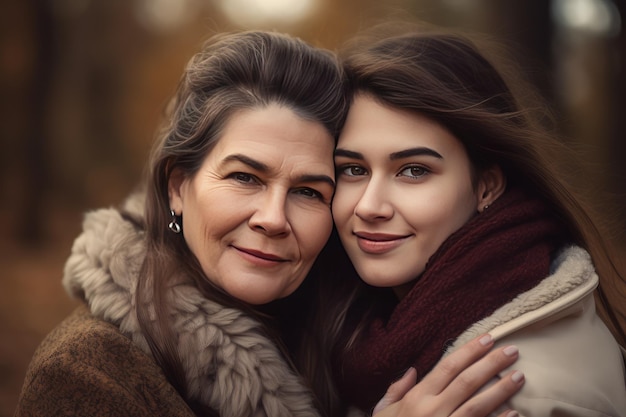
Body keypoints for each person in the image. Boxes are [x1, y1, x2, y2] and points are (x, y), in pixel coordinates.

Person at [14, 30, 525, 417]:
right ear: (178, 187)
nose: (274, 219)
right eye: (245, 177)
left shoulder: (341, 339)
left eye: (307, 191)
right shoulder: (86, 372)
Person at [325, 24, 626, 416]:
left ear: (486, 186)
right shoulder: (359, 324)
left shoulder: (515, 396)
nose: (369, 206)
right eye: (352, 169)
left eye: (413, 171)